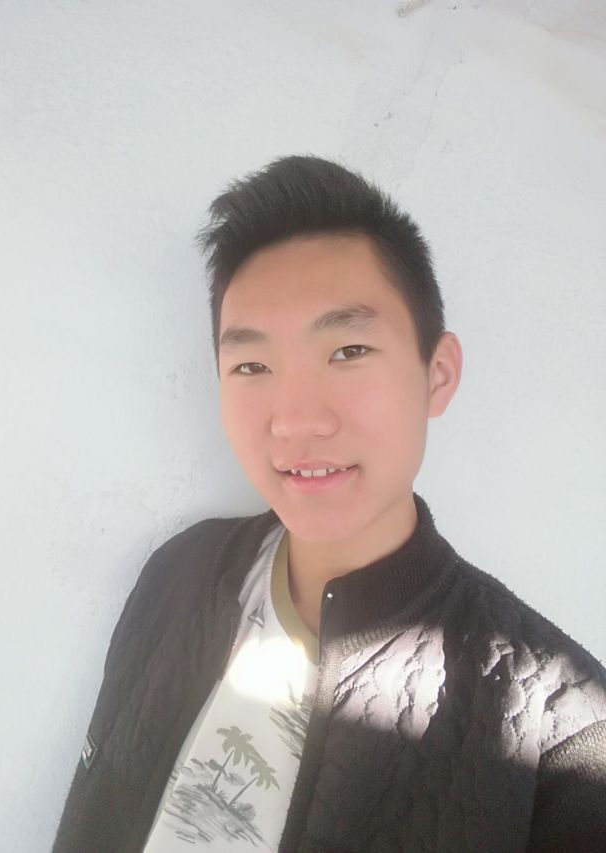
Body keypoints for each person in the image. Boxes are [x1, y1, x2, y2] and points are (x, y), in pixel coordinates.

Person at [53, 156, 606, 853]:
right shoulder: (180, 572)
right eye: (251, 365)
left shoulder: (566, 735)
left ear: (437, 374)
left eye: (348, 350)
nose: (295, 422)